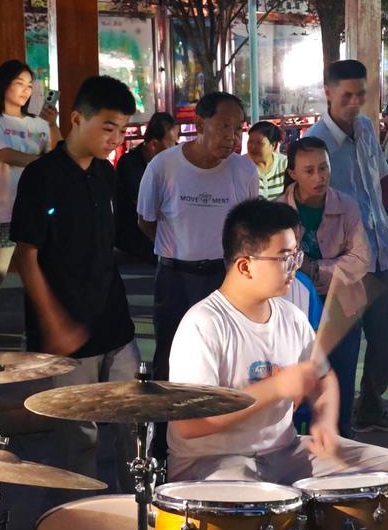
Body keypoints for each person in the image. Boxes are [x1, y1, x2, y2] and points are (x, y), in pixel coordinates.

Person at [167, 198, 388, 484]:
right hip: (213, 462)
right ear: (245, 266)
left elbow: (323, 379)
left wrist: (324, 421)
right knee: (253, 499)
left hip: (283, 452)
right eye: (284, 258)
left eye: (296, 256)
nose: (295, 267)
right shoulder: (203, 324)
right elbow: (190, 423)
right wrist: (274, 388)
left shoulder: (291, 316)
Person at [13, 76, 141, 481]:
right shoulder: (41, 176)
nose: (115, 140)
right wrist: (54, 323)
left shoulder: (106, 173)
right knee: (78, 436)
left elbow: (120, 237)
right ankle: (79, 514)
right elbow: (25, 256)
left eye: (122, 131)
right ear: (76, 119)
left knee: (134, 426)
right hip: (67, 328)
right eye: (108, 128)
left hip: (114, 322)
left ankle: (134, 508)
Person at [138, 91, 258, 386]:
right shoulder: (163, 166)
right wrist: (176, 249)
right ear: (201, 124)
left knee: (225, 355)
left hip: (224, 277)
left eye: (238, 128)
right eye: (225, 126)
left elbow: (248, 227)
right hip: (175, 278)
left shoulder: (244, 170)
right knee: (170, 355)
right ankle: (167, 416)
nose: (232, 137)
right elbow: (145, 221)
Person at [307, 60, 388, 431]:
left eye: (360, 94)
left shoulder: (365, 128)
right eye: (346, 95)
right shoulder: (316, 143)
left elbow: (382, 180)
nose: (354, 103)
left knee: (386, 337)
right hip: (344, 262)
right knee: (344, 345)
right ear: (328, 93)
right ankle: (335, 425)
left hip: (381, 252)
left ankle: (371, 406)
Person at [279, 135, 370, 435]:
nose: (319, 177)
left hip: (341, 307)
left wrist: (315, 269)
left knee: (340, 385)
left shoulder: (347, 205)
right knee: (297, 386)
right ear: (292, 173)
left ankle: (340, 443)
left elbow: (361, 259)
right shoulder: (278, 211)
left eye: (324, 168)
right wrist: (333, 267)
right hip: (295, 308)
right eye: (309, 171)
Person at [0, 59, 56, 350]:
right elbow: (5, 154)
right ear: (3, 85)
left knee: (40, 277)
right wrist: (42, 163)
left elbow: (59, 154)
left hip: (39, 212)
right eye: (19, 83)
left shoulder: (39, 124)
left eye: (29, 85)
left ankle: (41, 337)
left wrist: (53, 125)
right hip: (5, 213)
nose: (25, 90)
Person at [115, 112, 177, 260]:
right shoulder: (129, 164)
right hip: (134, 236)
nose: (176, 149)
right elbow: (143, 207)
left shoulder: (171, 164)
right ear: (154, 144)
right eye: (171, 145)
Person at [247, 119, 289, 198]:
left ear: (273, 145)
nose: (252, 147)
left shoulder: (285, 164)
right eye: (250, 141)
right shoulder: (241, 166)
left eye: (259, 143)